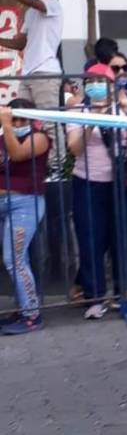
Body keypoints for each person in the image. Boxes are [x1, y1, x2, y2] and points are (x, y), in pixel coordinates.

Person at [67, 64, 127, 319]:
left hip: (122, 182)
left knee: (124, 238)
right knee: (91, 239)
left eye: (101, 80)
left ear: (112, 84)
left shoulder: (124, 105)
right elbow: (75, 149)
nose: (95, 85)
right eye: (91, 81)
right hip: (88, 181)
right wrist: (91, 121)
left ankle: (125, 293)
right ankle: (94, 297)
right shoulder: (77, 109)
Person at [0, 0, 64, 175]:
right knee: (21, 117)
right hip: (28, 73)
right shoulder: (30, 14)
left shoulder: (52, 4)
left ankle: (57, 166)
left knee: (49, 122)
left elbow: (32, 2)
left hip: (46, 73)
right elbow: (20, 44)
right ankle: (31, 163)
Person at [0, 98, 50, 335]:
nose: (17, 122)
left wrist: (7, 125)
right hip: (4, 204)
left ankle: (32, 315)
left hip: (25, 204)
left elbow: (18, 154)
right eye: (14, 117)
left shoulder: (40, 138)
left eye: (22, 118)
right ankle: (23, 308)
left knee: (15, 259)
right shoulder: (3, 138)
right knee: (14, 259)